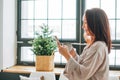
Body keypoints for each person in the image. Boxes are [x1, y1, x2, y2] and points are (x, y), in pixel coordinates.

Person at [56, 8, 111, 80]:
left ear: (94, 24)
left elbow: (82, 75)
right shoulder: (93, 45)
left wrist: (67, 56)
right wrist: (73, 54)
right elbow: (83, 65)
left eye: (85, 22)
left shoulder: (98, 47)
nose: (83, 27)